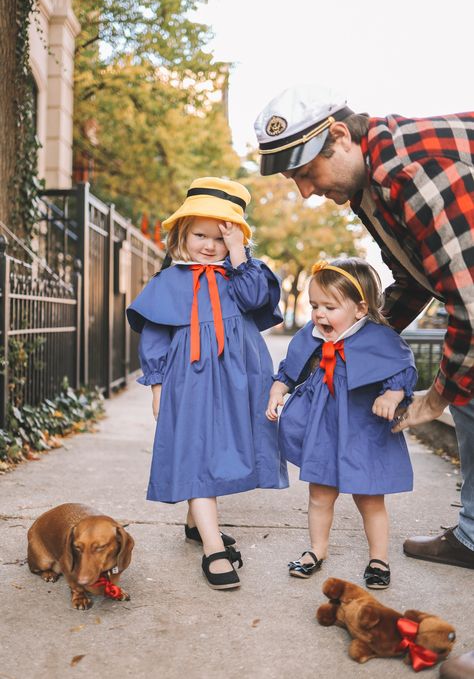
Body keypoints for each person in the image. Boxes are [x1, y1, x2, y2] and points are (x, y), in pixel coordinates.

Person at [254, 86, 474, 567]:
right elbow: (411, 282)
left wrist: (430, 400)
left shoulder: (412, 174)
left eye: (307, 173)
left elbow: (468, 304)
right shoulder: (366, 189)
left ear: (339, 136)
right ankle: (473, 535)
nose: (306, 192)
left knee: (459, 394)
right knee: (469, 397)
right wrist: (363, 337)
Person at [127, 177, 288, 591]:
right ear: (182, 233)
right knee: (197, 450)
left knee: (223, 448)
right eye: (201, 234)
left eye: (221, 237)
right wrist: (158, 383)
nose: (209, 245)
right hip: (191, 376)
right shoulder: (169, 281)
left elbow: (257, 300)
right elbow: (156, 335)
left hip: (239, 378)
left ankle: (195, 523)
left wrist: (238, 254)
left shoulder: (240, 275)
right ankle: (213, 549)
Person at [266, 258, 417, 588]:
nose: (319, 314)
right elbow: (292, 368)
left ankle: (379, 558)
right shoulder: (313, 335)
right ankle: (316, 550)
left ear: (360, 308)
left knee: (369, 499)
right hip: (324, 430)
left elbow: (402, 372)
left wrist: (391, 396)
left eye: (330, 307)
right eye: (314, 305)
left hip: (363, 430)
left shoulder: (380, 339)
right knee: (320, 494)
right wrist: (279, 388)